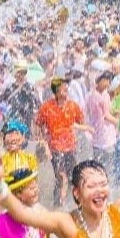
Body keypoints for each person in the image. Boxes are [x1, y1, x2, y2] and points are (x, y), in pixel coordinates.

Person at [36, 77, 87, 206]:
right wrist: (43, 140)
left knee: (72, 177)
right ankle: (57, 206)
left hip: (70, 147)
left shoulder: (72, 106)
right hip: (55, 148)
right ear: (57, 92)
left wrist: (79, 134)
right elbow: (37, 124)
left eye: (66, 88)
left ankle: (69, 204)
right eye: (64, 89)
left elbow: (80, 122)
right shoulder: (47, 107)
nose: (66, 91)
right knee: (61, 177)